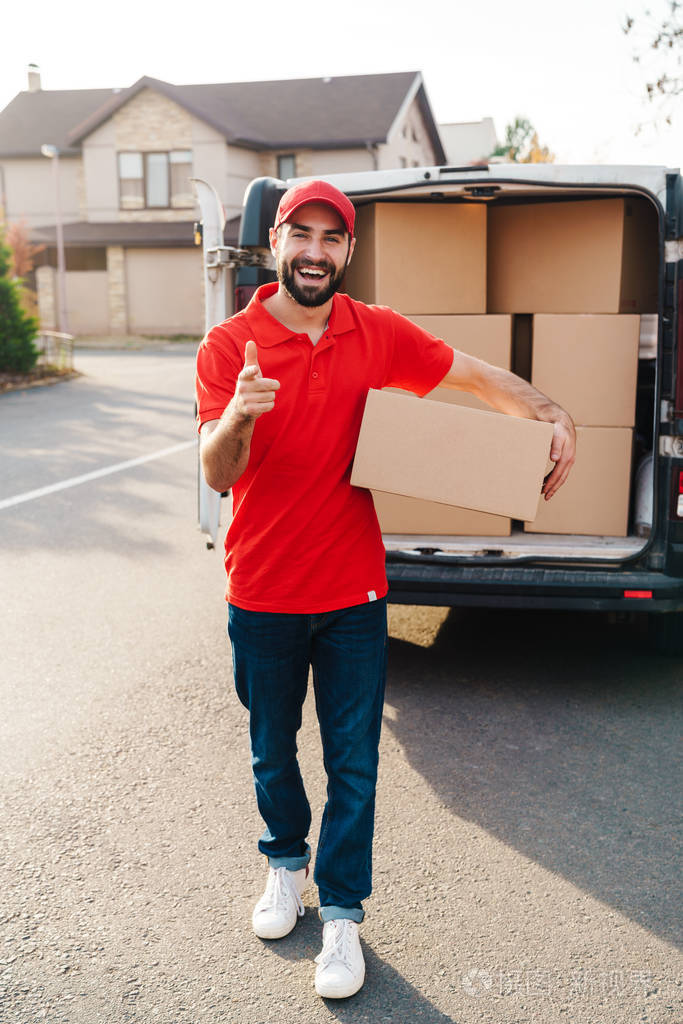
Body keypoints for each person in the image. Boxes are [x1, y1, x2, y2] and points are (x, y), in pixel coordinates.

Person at [195, 179, 576, 999]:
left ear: (348, 254)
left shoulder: (375, 334)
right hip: (261, 590)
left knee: (354, 763)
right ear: (275, 243)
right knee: (272, 751)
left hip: (355, 594)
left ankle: (340, 915)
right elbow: (217, 472)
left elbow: (472, 377)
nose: (316, 252)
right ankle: (284, 866)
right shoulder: (230, 348)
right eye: (303, 234)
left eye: (333, 239)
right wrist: (239, 417)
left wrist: (549, 413)